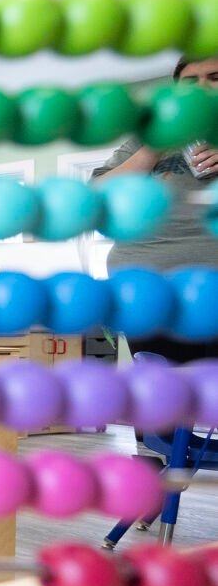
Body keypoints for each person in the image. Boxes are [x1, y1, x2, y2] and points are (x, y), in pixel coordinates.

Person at [92, 55, 218, 366]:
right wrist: (155, 145)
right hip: (149, 294)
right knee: (163, 401)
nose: (201, 87)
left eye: (214, 77)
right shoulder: (145, 139)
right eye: (190, 81)